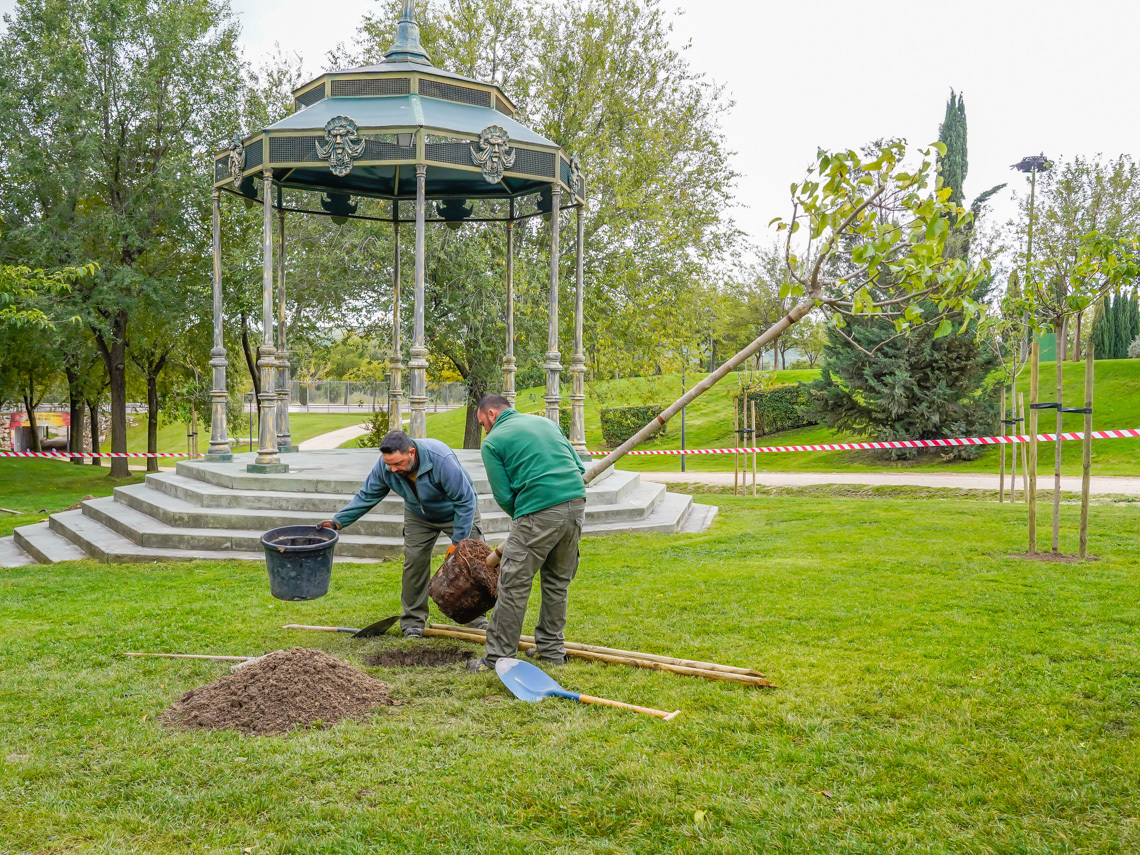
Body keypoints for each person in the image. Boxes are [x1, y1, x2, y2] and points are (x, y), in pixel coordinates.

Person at [318, 430, 487, 638]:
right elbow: (366, 496)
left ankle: (477, 621)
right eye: (388, 463)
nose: (392, 469)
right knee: (414, 562)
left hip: (456, 511)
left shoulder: (441, 459)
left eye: (397, 463)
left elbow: (465, 500)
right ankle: (413, 622)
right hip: (419, 515)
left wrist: (458, 542)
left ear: (412, 452)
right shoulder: (386, 467)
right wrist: (337, 521)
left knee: (469, 564)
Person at [467, 394, 586, 672]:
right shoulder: (546, 423)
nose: (484, 428)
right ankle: (552, 651)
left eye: (483, 422)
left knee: (512, 585)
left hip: (537, 510)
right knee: (557, 582)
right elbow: (579, 468)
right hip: (576, 505)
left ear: (492, 414)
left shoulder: (493, 442)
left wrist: (525, 521)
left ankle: (497, 658)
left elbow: (504, 495)